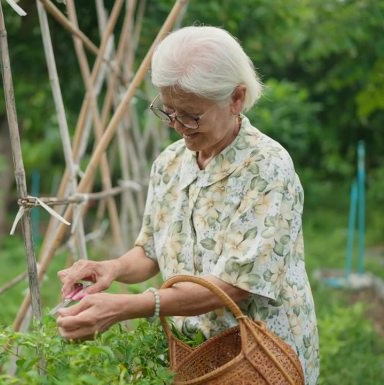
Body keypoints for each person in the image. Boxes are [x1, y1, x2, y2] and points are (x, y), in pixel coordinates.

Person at [56, 25, 319, 384]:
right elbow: (150, 251)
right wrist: (112, 269)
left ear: (237, 98)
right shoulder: (170, 163)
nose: (178, 126)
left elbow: (236, 284)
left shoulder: (267, 168)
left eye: (192, 115)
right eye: (168, 112)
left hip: (259, 357)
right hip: (193, 355)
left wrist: (126, 307)